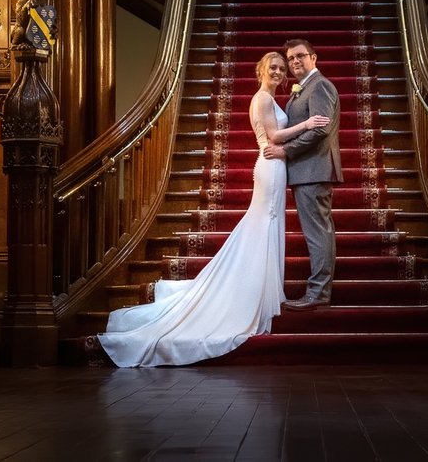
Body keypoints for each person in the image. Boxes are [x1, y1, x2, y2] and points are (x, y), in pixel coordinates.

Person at [95, 51, 329, 367]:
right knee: (263, 226)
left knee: (265, 227)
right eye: (272, 67)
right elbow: (273, 136)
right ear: (261, 70)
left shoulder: (269, 98)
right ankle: (252, 296)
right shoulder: (261, 98)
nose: (277, 72)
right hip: (271, 167)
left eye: (281, 69)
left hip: (275, 168)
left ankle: (264, 292)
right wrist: (307, 124)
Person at [263, 38, 342, 311]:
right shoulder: (303, 87)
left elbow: (320, 129)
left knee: (318, 234)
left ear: (314, 57)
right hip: (306, 171)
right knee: (318, 232)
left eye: (300, 56)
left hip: (313, 169)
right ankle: (319, 291)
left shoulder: (319, 85)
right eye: (291, 59)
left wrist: (286, 151)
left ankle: (318, 294)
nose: (295, 62)